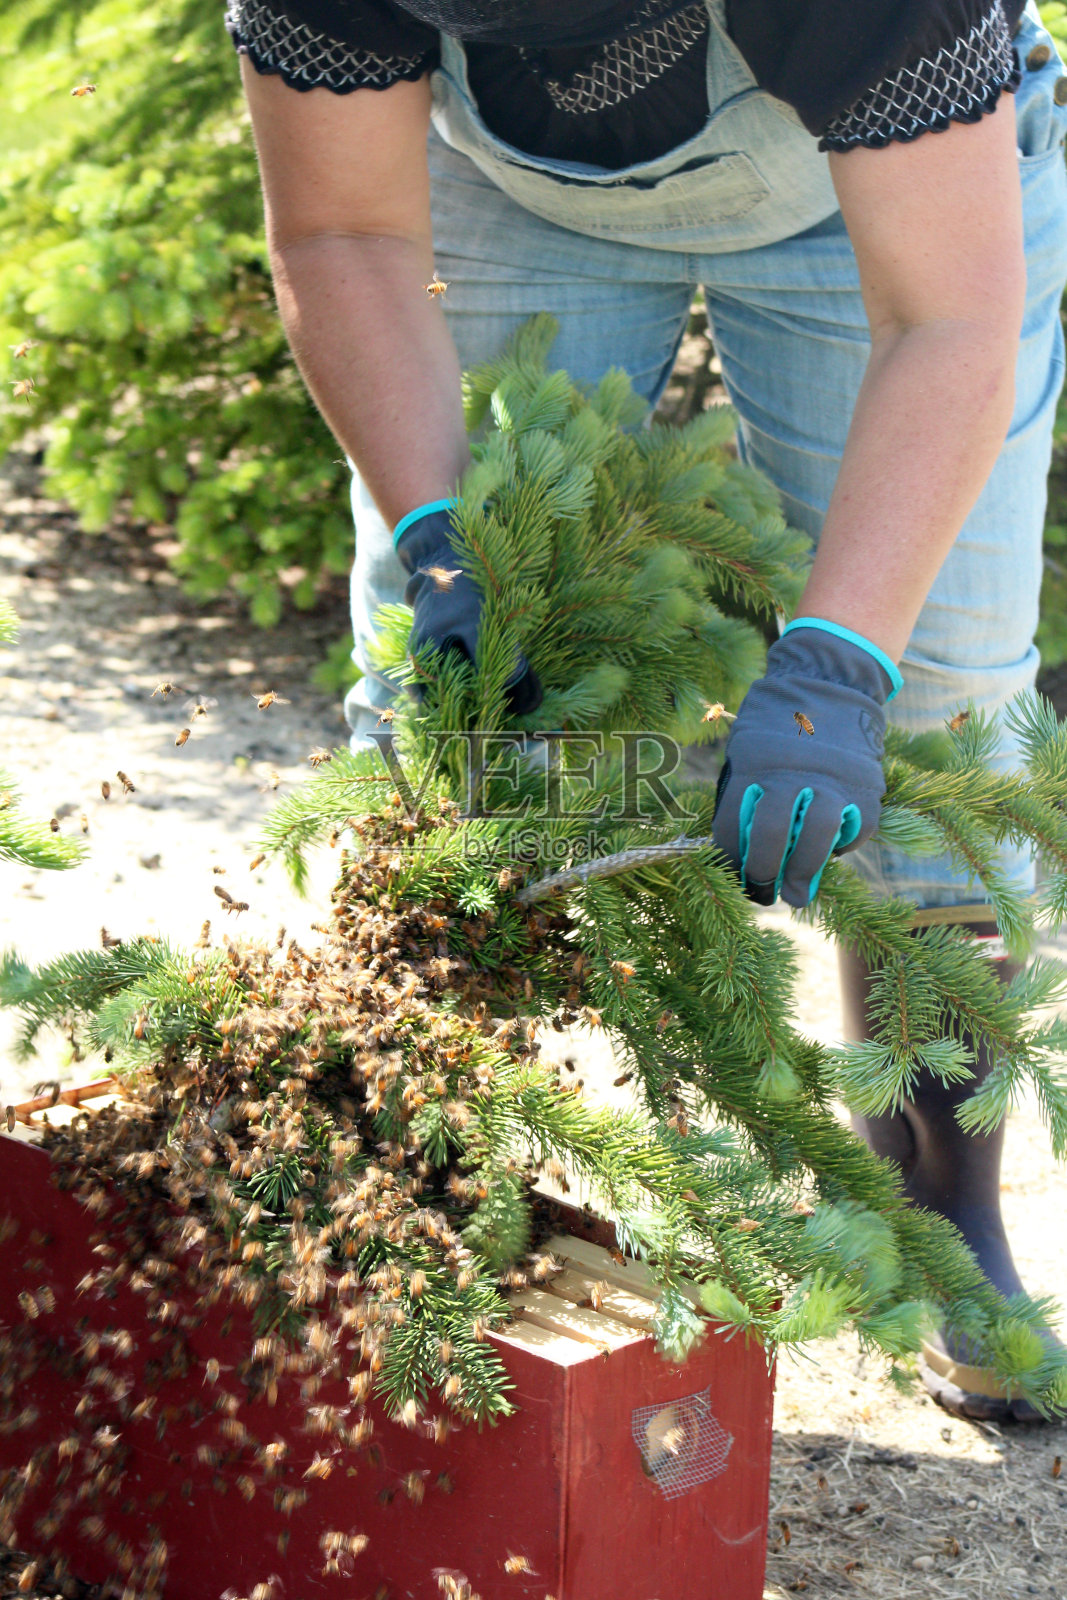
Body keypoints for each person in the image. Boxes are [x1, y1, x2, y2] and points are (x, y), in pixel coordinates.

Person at [225, 0, 1067, 1418]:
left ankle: (941, 1215)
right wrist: (442, 538)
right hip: (510, 198)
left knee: (942, 691)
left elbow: (950, 316)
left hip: (893, 212)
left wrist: (844, 658)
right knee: (471, 699)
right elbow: (342, 236)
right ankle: (431, 1186)